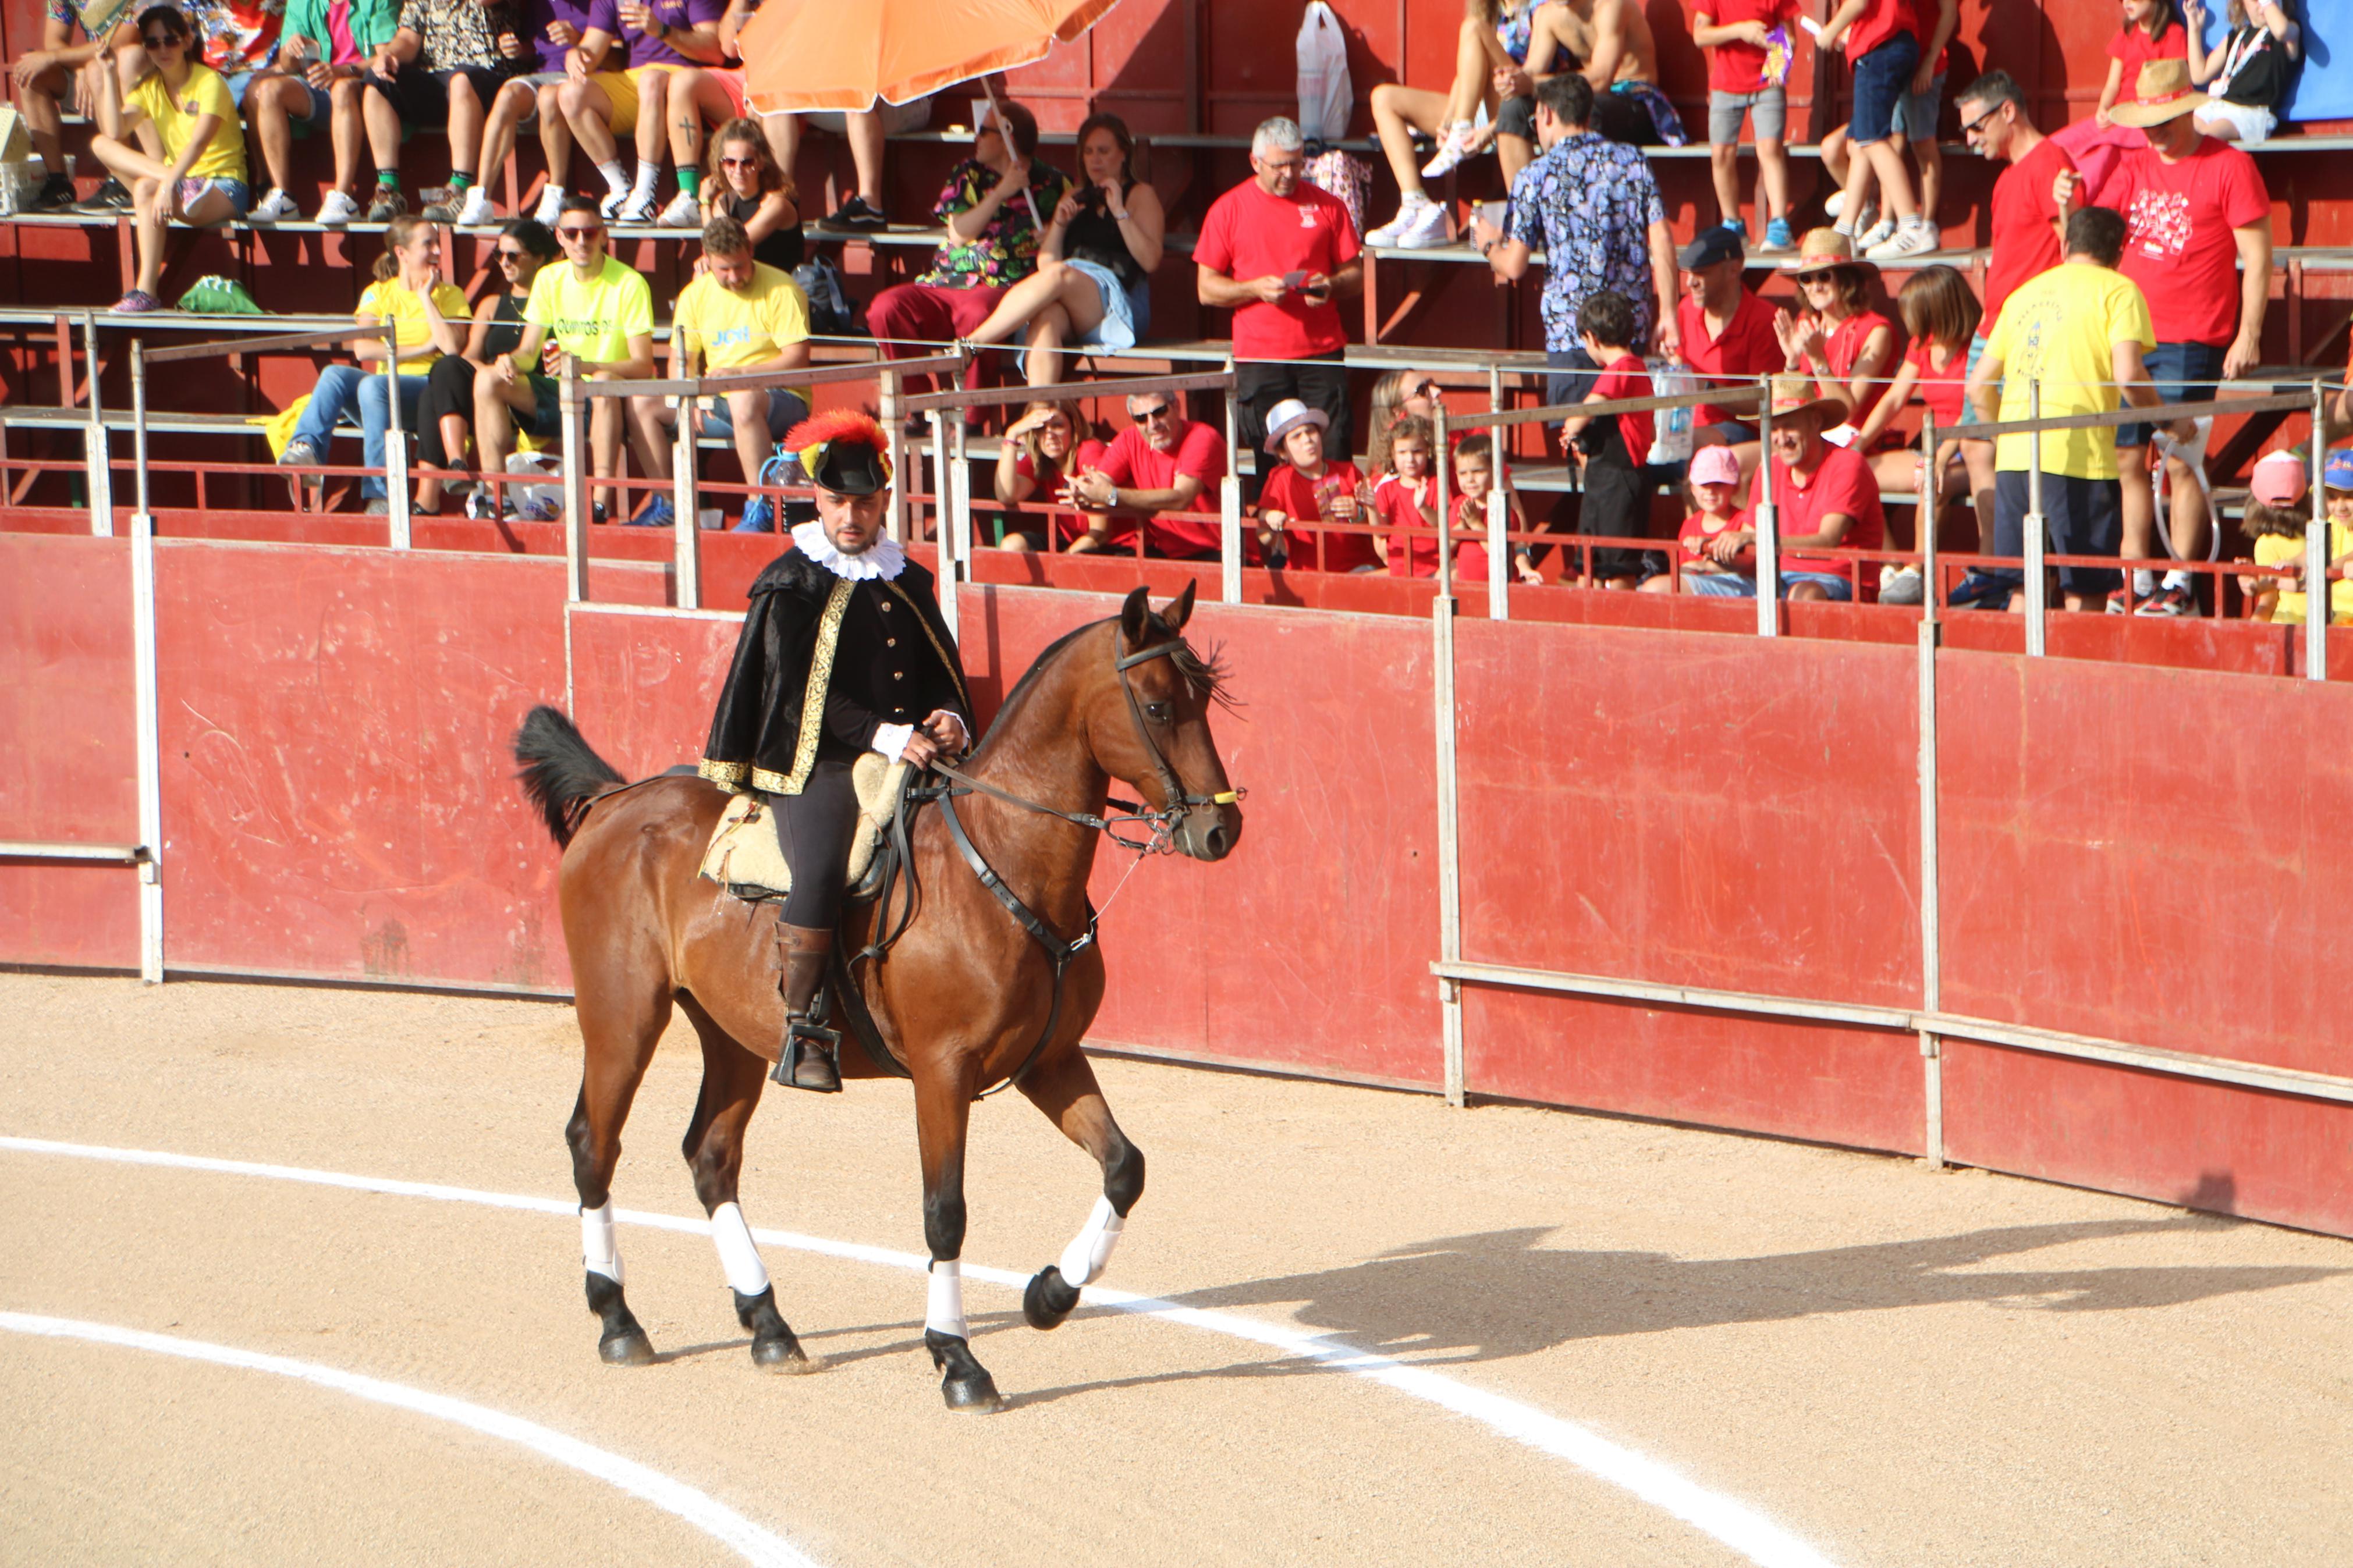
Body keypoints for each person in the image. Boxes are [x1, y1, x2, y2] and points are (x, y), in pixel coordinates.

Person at [697, 410, 971, 1093]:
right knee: (821, 866)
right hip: (812, 762)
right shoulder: (791, 582)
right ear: (815, 500)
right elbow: (798, 696)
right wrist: (886, 735)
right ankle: (803, 1026)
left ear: (884, 501)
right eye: (837, 501)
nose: (851, 515)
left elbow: (941, 669)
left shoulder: (906, 578)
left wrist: (950, 717)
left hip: (913, 756)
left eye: (864, 501)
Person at [2079, 57, 2272, 617]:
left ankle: (2180, 584)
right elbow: (2097, 237)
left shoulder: (2228, 166)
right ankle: (2135, 576)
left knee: (2182, 459)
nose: (2152, 134)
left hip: (2194, 335)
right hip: (2132, 339)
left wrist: (2248, 335)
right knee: (2125, 457)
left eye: (2161, 122)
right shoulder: (2132, 168)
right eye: (2146, 124)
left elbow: (2257, 258)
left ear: (2186, 112)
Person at [1960, 205, 2159, 614]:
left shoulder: (2022, 293)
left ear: (2066, 245)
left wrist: (2005, 437)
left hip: (2016, 459)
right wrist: (2172, 421)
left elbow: (1977, 387)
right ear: (2118, 253)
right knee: (2083, 591)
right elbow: (2129, 375)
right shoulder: (2119, 290)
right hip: (2079, 458)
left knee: (2022, 589)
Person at [1471, 74, 1677, 413]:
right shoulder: (1633, 161)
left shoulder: (1535, 176)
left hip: (1573, 330)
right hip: (1629, 326)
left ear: (1548, 114)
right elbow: (1662, 237)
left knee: (1582, 440)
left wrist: (1489, 244)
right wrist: (1669, 311)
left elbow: (1514, 265)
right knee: (1629, 435)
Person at [1195, 116, 1362, 493]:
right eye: (1279, 165)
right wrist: (1254, 289)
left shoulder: (1328, 207)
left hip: (1320, 354)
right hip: (1260, 358)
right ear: (1255, 162)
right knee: (1268, 461)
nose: (1289, 174)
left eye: (1297, 163)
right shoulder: (1228, 209)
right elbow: (1206, 289)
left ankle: (1336, 541)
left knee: (1332, 453)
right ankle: (1275, 546)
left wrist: (1330, 285)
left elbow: (1355, 276)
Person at [868, 97, 1070, 400]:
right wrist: (1001, 192)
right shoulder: (968, 173)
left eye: (983, 131)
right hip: (947, 281)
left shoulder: (1053, 183)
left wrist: (1054, 234)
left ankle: (972, 411)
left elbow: (1072, 242)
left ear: (1007, 137)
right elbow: (960, 234)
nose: (975, 138)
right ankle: (916, 402)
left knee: (978, 313)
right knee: (886, 308)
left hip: (1001, 284)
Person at [623, 212, 811, 528]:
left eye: (740, 266)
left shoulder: (782, 288)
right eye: (725, 269)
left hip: (782, 398)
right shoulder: (694, 295)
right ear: (708, 260)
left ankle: (760, 505)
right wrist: (686, 396)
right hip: (717, 400)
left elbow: (797, 358)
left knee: (743, 398)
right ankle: (668, 502)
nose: (735, 277)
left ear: (751, 251)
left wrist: (741, 375)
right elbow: (681, 360)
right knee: (639, 401)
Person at [474, 195, 655, 520]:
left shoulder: (630, 283)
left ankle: (599, 502)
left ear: (604, 235)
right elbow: (529, 352)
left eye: (589, 232)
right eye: (571, 234)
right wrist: (511, 361)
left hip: (609, 395)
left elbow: (643, 364)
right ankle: (496, 496)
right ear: (560, 237)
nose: (581, 241)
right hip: (562, 389)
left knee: (601, 382)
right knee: (487, 377)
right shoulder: (549, 278)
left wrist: (585, 365)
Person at [957, 113, 1166, 388]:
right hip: (1073, 293)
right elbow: (1047, 266)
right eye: (1089, 152)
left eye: (1104, 151)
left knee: (1061, 275)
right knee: (1046, 319)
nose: (1095, 160)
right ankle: (1041, 411)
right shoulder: (1075, 196)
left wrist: (1119, 212)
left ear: (1124, 154)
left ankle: (974, 344)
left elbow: (1150, 261)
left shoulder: (1140, 195)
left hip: (1121, 301)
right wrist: (1058, 224)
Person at [276, 213, 466, 510]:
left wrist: (427, 298)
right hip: (382, 397)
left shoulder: (449, 294)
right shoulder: (378, 293)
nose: (438, 252)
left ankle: (381, 494)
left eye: (437, 244)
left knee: (373, 387)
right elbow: (362, 348)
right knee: (334, 374)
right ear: (401, 253)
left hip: (428, 395)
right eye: (428, 244)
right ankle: (306, 450)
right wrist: (423, 346)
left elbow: (452, 348)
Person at [1954, 70, 2075, 533]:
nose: (1969, 139)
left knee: (2013, 451)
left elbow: (2072, 251)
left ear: (2008, 111)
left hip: (2031, 333)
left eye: (1976, 126)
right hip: (1995, 327)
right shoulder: (2008, 178)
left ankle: (2013, 565)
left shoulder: (2049, 163)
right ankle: (1996, 567)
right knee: (1979, 446)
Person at [88, 5, 253, 315]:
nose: (162, 49)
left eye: (171, 40)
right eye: (153, 43)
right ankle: (146, 294)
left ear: (188, 41)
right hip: (181, 184)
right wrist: (109, 75)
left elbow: (199, 144)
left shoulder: (209, 82)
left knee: (146, 189)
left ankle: (146, 291)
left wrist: (170, 182)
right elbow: (114, 130)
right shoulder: (150, 87)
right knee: (101, 143)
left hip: (224, 186)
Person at [1366, 0, 1553, 248]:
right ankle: (1415, 202)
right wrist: (1447, 121)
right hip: (1478, 106)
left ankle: (1461, 129)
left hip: (1516, 103)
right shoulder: (1488, 9)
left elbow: (1536, 75)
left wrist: (1492, 127)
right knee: (1383, 97)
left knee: (1474, 28)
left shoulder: (1540, 8)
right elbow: (1463, 76)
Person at [1854, 263, 1989, 600]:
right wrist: (1859, 445)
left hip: (1971, 446)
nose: (1909, 320)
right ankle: (1890, 566)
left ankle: (1917, 570)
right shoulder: (1923, 343)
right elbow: (1894, 398)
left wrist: (1940, 458)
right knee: (1855, 474)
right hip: (1931, 447)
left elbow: (1971, 413)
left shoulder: (1979, 345)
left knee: (1933, 481)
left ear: (1938, 308)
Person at [1687, 375, 1884, 601]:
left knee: (1802, 596)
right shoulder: (1769, 469)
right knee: (1669, 585)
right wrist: (1715, 549)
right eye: (1774, 428)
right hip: (1773, 578)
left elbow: (1827, 540)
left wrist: (1755, 541)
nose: (1781, 439)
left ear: (1816, 421)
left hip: (1837, 581)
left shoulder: (1847, 464)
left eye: (1789, 426)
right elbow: (1750, 550)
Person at [415, 216, 559, 513]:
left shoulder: (556, 300)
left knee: (432, 395)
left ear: (539, 258)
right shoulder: (492, 304)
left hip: (531, 394)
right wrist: (488, 372)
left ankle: (428, 499)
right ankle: (457, 464)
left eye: (513, 255)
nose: (504, 262)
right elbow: (468, 355)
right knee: (446, 367)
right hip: (488, 388)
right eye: (498, 255)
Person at [555, 0, 725, 225]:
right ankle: (620, 189)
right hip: (637, 79)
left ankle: (645, 196)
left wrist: (662, 31)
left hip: (686, 80)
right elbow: (591, 49)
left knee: (651, 79)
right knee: (570, 92)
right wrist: (577, 55)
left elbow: (715, 50)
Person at [358, 0, 524, 223]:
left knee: (461, 79)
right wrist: (390, 55)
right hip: (436, 75)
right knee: (377, 80)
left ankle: (459, 188)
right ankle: (389, 189)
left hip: (488, 75)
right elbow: (408, 39)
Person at [1820, 0, 1954, 253]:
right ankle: (1846, 229)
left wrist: (1831, 30)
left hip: (1880, 46)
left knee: (1874, 140)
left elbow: (1858, 3)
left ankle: (1911, 226)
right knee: (1866, 139)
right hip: (1895, 43)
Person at [244, 0, 391, 223]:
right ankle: (282, 195)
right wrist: (292, 49)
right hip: (320, 87)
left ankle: (343, 196)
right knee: (269, 90)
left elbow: (386, 58)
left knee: (342, 89)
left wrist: (341, 71)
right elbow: (286, 64)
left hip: (365, 83)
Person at [477, 0, 607, 227]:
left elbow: (620, 54)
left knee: (549, 96)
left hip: (587, 79)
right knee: (508, 94)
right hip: (544, 73)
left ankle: (555, 193)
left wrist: (580, 39)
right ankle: (481, 196)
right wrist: (518, 49)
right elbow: (535, 49)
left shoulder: (599, 4)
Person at [1557, 288, 1654, 591]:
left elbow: (1592, 405)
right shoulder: (1633, 367)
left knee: (1618, 565)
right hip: (1606, 480)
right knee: (1592, 564)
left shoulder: (1624, 368)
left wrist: (1571, 428)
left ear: (1592, 338)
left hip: (1620, 481)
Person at [1059, 391, 1230, 557]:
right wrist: (1081, 489)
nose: (1152, 424)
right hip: (1166, 552)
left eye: (1159, 412)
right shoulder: (1129, 439)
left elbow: (1181, 498)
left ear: (1176, 407)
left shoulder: (1201, 437)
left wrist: (1109, 495)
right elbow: (1100, 482)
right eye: (1141, 419)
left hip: (1220, 551)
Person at [10, 0, 140, 211]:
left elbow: (123, 40)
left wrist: (83, 64)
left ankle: (122, 181)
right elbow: (54, 40)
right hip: (92, 67)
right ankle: (58, 183)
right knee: (32, 75)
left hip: (131, 69)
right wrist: (80, 68)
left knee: (97, 73)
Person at [1673, 225, 1780, 474]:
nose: (1690, 282)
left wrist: (1708, 390)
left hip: (1743, 431)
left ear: (1734, 269)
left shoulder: (1763, 319)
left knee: (1695, 450)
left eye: (1701, 273)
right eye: (1689, 273)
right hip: (1686, 428)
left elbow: (1763, 402)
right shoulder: (1686, 309)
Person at [2054, 0, 2188, 197]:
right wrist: (2103, 108)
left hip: (2145, 121)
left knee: (2105, 150)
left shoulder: (2173, 34)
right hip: (2117, 116)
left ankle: (2079, 202)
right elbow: (2112, 85)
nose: (2127, 3)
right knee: (2059, 144)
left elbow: (2173, 86)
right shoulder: (2126, 34)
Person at [1691, 0, 1796, 251]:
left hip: (1766, 84)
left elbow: (1789, 36)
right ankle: (1733, 225)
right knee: (1721, 154)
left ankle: (1779, 226)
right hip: (1726, 86)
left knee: (1770, 150)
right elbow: (1700, 35)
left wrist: (1778, 67)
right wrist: (1740, 30)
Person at [1776, 227, 1898, 439]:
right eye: (1807, 278)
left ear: (1846, 280)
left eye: (1824, 277)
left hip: (1857, 440)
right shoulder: (1806, 322)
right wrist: (1792, 362)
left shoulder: (1876, 330)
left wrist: (1817, 358)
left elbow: (1848, 411)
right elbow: (1790, 404)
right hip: (1808, 437)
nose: (1815, 287)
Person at [1520, 0, 1685, 150]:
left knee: (1585, 110)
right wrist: (1513, 80)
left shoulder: (1612, 5)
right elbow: (1532, 71)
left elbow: (1601, 81)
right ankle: (1525, 183)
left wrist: (1534, 83)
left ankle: (1579, 180)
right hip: (1583, 97)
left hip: (1634, 103)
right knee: (1516, 108)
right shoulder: (1545, 14)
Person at [1254, 399, 1380, 573]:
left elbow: (1380, 526)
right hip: (1307, 576)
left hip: (1360, 570)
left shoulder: (1349, 471)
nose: (1307, 440)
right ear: (1283, 452)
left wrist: (1359, 513)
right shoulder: (1281, 478)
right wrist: (1272, 519)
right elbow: (1263, 534)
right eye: (1296, 436)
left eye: (1311, 431)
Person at [2239, 449, 2353, 624]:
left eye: (2349, 496)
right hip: (2336, 617)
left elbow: (2343, 561)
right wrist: (2292, 564)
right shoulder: (2335, 524)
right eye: (2332, 497)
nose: (2340, 507)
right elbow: (2313, 552)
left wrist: (2307, 577)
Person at [2185, 0, 2300, 145]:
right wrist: (2194, 29)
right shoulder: (2237, 35)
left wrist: (2269, 5)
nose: (2261, 5)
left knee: (2206, 137)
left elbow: (2281, 31)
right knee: (2185, 133)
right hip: (2221, 105)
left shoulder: (2290, 31)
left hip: (2252, 112)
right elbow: (2199, 75)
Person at [698, 116, 800, 273]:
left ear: (761, 163)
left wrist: (704, 203)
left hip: (777, 289)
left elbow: (730, 249)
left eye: (747, 163)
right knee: (701, 271)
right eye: (730, 162)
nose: (738, 170)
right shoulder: (725, 202)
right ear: (722, 165)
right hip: (743, 283)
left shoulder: (777, 204)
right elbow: (714, 245)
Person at [1645, 443, 1751, 593]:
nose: (1710, 492)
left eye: (1719, 484)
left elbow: (1750, 567)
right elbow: (1683, 567)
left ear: (1735, 487)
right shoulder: (1690, 524)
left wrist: (1708, 564)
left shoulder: (1745, 522)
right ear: (1693, 488)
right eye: (1704, 484)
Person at [990, 402, 1095, 551]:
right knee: (1012, 545)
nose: (1049, 435)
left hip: (1108, 545)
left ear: (1075, 427)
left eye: (1058, 426)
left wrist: (1063, 561)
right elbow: (1007, 495)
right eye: (1041, 428)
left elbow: (1101, 532)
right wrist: (1012, 434)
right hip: (1073, 542)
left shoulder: (1089, 451)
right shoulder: (1040, 459)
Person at [1370, 413, 1449, 576]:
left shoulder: (1437, 484)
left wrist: (1423, 507)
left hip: (1434, 567)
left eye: (1417, 451)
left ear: (1428, 451)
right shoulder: (1386, 489)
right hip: (1399, 566)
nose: (1410, 459)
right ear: (1392, 454)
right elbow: (1381, 532)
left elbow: (1444, 525)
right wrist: (1371, 507)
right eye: (1402, 452)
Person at [1365, 370, 1443, 475]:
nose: (1437, 391)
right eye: (1422, 390)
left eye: (1430, 383)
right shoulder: (1385, 483)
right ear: (1398, 412)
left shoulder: (1458, 438)